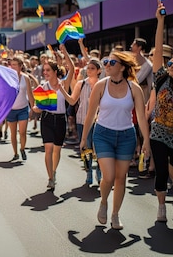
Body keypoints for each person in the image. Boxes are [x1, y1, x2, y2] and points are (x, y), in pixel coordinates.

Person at [80, 50, 150, 230]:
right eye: (106, 62)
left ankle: (115, 214)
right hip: (103, 133)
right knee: (109, 176)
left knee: (120, 178)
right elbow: (90, 115)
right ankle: (103, 202)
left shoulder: (134, 88)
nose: (107, 65)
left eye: (111, 62)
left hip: (127, 136)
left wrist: (146, 142)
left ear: (122, 67)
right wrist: (83, 139)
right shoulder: (100, 86)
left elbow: (141, 118)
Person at [145, 3, 173, 223]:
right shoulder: (161, 78)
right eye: (170, 62)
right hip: (159, 133)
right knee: (162, 170)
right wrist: (160, 21)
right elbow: (156, 51)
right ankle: (162, 207)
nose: (171, 65)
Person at [31, 44, 74, 190]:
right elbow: (38, 106)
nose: (45, 73)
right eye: (44, 70)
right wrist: (36, 108)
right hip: (47, 119)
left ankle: (54, 172)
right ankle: (50, 178)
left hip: (61, 120)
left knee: (57, 149)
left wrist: (65, 52)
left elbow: (72, 69)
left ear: (55, 71)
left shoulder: (64, 83)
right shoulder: (43, 87)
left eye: (48, 70)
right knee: (48, 149)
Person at [62, 58, 103, 185]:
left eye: (92, 68)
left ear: (98, 71)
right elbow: (72, 101)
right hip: (82, 120)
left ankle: (99, 171)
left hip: (100, 121)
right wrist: (62, 89)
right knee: (86, 147)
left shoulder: (103, 84)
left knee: (100, 148)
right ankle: (89, 171)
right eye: (88, 68)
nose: (89, 70)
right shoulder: (81, 84)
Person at [6, 56, 34, 161]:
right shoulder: (7, 77)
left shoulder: (25, 78)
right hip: (11, 110)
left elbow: (30, 95)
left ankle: (22, 149)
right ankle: (15, 153)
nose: (12, 67)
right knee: (13, 134)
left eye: (15, 65)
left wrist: (32, 109)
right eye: (11, 65)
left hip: (23, 108)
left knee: (22, 132)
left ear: (20, 66)